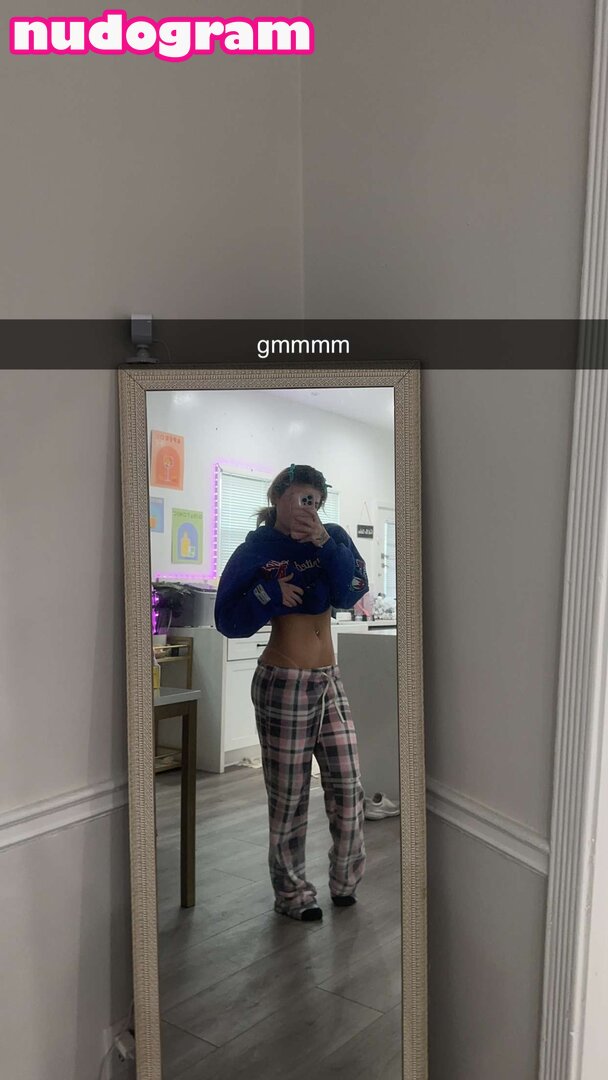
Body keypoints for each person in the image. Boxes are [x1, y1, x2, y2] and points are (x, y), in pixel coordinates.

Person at [214, 463, 369, 922]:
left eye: (315, 502)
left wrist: (324, 542)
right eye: (301, 498)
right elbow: (228, 620)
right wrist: (268, 593)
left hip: (330, 680)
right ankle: (293, 895)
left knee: (349, 786)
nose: (309, 508)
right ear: (277, 497)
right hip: (283, 682)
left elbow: (351, 592)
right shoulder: (257, 549)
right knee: (289, 796)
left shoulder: (332, 537)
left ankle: (345, 882)